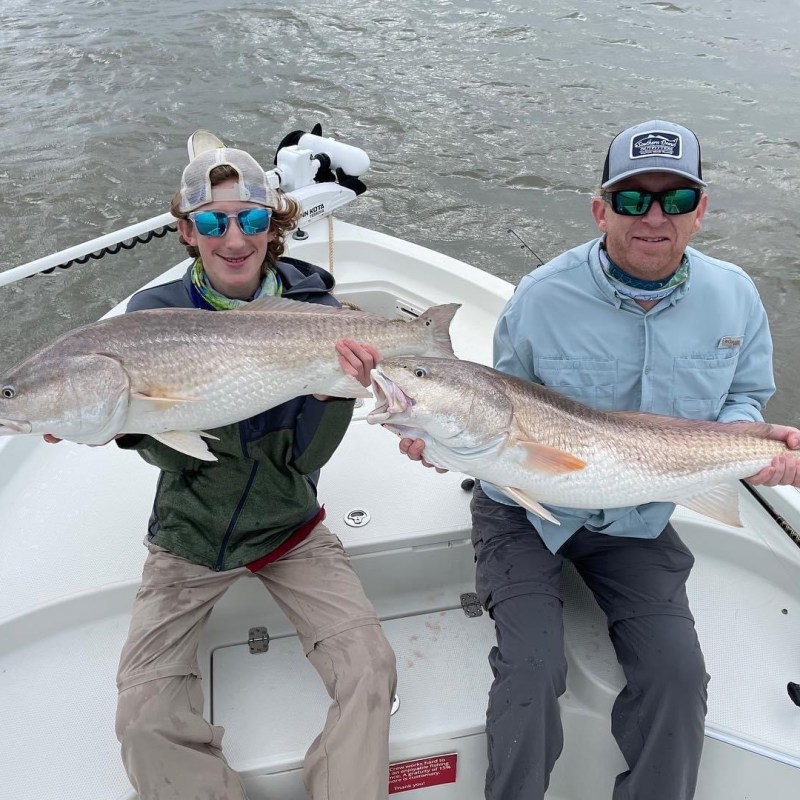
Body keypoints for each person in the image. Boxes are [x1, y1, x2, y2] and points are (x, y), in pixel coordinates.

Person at [401, 119, 800, 800]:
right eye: (632, 198)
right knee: (532, 672)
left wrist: (756, 449)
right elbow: (497, 410)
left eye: (674, 199)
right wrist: (438, 439)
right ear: (600, 208)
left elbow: (743, 395)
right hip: (526, 513)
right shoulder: (542, 296)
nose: (653, 217)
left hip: (641, 518)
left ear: (700, 210)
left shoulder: (734, 296)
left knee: (678, 677)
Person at [47, 143, 398, 800]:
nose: (234, 239)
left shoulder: (317, 316)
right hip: (190, 532)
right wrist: (119, 422)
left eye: (251, 221)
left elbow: (307, 461)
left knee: (370, 669)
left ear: (274, 226)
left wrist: (331, 397)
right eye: (213, 223)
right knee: (144, 718)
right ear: (187, 231)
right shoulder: (150, 319)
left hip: (290, 525)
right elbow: (164, 454)